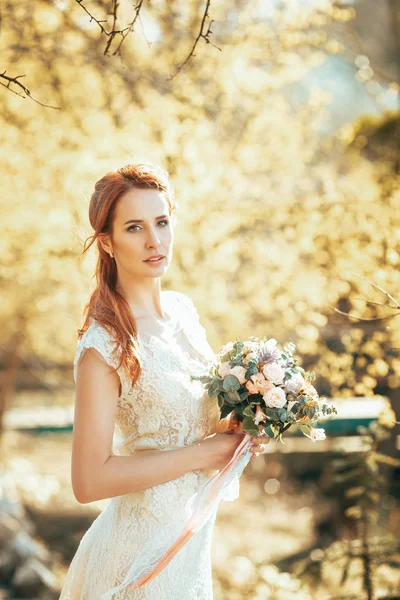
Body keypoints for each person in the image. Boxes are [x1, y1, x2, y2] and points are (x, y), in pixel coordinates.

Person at [59, 162, 269, 600]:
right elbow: (88, 481)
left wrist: (237, 431)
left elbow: (183, 422)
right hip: (136, 558)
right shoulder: (105, 345)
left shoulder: (182, 312)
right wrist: (204, 453)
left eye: (161, 222)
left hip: (191, 544)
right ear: (107, 242)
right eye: (134, 227)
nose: (154, 240)